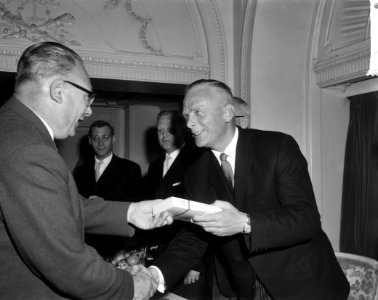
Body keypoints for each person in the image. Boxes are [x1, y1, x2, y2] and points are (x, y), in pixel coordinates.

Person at [0, 41, 172, 300]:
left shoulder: (13, 130)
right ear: (58, 90)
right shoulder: (29, 149)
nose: (89, 110)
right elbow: (64, 262)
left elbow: (60, 206)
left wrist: (131, 212)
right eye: (87, 97)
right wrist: (131, 286)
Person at [149, 79, 350, 299]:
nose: (189, 124)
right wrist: (154, 275)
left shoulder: (277, 147)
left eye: (198, 112)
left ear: (227, 113)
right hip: (247, 289)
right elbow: (193, 237)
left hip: (303, 285)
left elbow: (306, 219)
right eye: (187, 116)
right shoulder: (195, 173)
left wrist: (245, 223)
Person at [142, 110, 209, 300]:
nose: (163, 135)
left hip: (187, 258)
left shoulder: (197, 160)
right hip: (158, 254)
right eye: (159, 130)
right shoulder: (155, 166)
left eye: (169, 129)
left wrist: (196, 264)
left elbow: (203, 212)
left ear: (181, 130)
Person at [74, 120, 142, 258]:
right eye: (95, 138)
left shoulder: (130, 169)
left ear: (113, 139)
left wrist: (104, 203)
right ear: (89, 141)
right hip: (85, 244)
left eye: (105, 137)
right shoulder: (80, 172)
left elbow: (135, 202)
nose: (100, 143)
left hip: (117, 243)